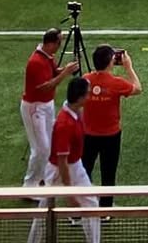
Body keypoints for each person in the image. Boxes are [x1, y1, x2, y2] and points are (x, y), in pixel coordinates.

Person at [27, 77, 99, 243]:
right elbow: (62, 162)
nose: (89, 97)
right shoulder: (64, 125)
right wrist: (70, 193)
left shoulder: (74, 112)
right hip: (60, 170)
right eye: (87, 94)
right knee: (44, 211)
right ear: (80, 97)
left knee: (92, 204)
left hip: (74, 165)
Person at [81, 45, 143, 207]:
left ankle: (80, 209)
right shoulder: (116, 83)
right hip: (110, 136)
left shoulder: (85, 79)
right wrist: (129, 68)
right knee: (108, 173)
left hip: (88, 135)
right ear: (110, 62)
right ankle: (105, 208)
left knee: (84, 171)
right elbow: (138, 88)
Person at [21, 28, 80, 192]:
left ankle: (40, 179)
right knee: (40, 148)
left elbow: (54, 73)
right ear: (51, 43)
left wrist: (67, 69)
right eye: (59, 42)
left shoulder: (46, 57)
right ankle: (29, 185)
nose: (60, 46)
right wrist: (65, 73)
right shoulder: (36, 62)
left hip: (45, 106)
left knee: (48, 145)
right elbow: (45, 87)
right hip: (35, 107)